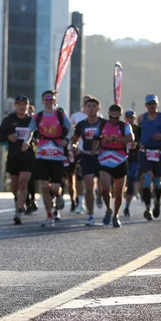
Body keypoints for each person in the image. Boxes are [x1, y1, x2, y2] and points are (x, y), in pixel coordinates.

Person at [22, 90, 72, 226]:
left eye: (51, 100)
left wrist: (66, 140)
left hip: (57, 156)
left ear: (54, 101)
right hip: (42, 155)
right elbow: (30, 131)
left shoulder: (60, 115)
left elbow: (71, 130)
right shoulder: (37, 117)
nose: (49, 102)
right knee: (44, 186)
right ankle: (49, 215)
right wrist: (26, 142)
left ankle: (59, 195)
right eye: (46, 100)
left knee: (55, 187)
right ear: (42, 101)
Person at [0, 95, 35, 225]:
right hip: (13, 156)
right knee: (15, 186)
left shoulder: (32, 121)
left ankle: (18, 211)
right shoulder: (9, 120)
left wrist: (35, 140)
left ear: (27, 106)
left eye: (24, 104)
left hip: (27, 156)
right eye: (19, 104)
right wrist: (8, 137)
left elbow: (40, 135)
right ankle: (18, 200)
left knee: (23, 183)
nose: (21, 107)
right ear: (15, 106)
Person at [93, 104, 134, 228]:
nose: (113, 119)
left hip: (120, 159)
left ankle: (115, 214)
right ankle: (108, 209)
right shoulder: (102, 125)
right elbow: (95, 139)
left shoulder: (125, 126)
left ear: (120, 116)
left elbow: (131, 138)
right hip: (104, 158)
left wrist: (116, 139)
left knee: (118, 191)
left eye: (116, 117)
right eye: (111, 116)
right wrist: (95, 148)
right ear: (108, 114)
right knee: (105, 188)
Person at [70, 97, 105, 226]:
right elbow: (74, 139)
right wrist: (73, 148)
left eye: (93, 106)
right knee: (89, 187)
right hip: (86, 157)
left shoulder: (104, 123)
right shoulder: (81, 124)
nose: (91, 108)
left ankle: (102, 197)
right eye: (88, 106)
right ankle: (91, 215)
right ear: (85, 108)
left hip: (101, 157)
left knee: (104, 185)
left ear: (98, 108)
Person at [137, 94, 161, 221]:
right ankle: (148, 208)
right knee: (147, 179)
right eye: (149, 104)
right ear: (146, 105)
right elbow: (137, 133)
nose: (151, 106)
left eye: (153, 103)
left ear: (157, 104)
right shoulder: (141, 118)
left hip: (159, 152)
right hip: (145, 152)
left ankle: (157, 201)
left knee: (157, 182)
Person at [123, 109, 142, 216]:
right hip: (122, 157)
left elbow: (142, 140)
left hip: (134, 157)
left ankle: (127, 207)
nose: (130, 119)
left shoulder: (138, 129)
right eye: (128, 117)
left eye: (131, 117)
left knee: (131, 178)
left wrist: (136, 144)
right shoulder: (121, 127)